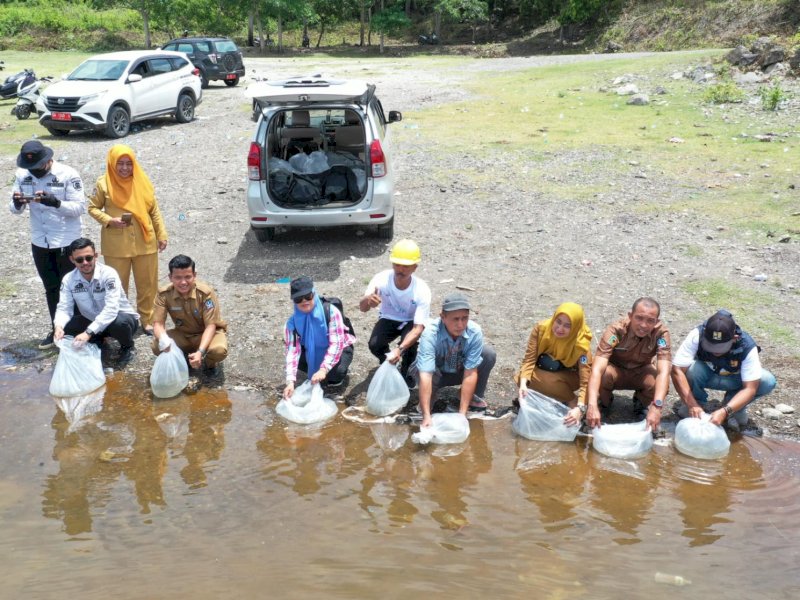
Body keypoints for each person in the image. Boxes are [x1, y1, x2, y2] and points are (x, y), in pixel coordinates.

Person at [10, 140, 86, 349]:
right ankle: (57, 330)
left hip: (66, 240)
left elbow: (79, 207)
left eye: (37, 167)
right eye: (30, 168)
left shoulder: (68, 174)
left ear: (48, 161)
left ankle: (80, 331)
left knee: (72, 287)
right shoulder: (22, 175)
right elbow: (14, 209)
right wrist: (17, 203)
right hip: (40, 241)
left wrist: (56, 203)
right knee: (51, 288)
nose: (33, 172)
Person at [89, 145, 168, 336]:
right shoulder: (103, 184)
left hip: (145, 240)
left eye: (128, 164)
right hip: (117, 245)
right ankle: (120, 321)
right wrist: (109, 220)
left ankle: (147, 320)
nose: (124, 168)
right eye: (120, 164)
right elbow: (92, 208)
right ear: (112, 164)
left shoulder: (142, 181)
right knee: (117, 285)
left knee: (148, 284)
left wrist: (161, 234)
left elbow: (153, 211)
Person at [671, 310, 777, 431]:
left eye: (721, 347)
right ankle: (697, 403)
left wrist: (725, 411)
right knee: (691, 369)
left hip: (734, 379)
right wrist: (692, 404)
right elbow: (676, 370)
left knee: (767, 381)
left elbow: (750, 388)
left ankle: (733, 406)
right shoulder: (697, 334)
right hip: (706, 375)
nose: (716, 351)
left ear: (734, 338)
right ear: (705, 334)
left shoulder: (747, 345)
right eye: (711, 345)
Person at [585, 297, 671, 431]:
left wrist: (657, 406)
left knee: (659, 382)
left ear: (656, 322)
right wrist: (591, 405)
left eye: (650, 321)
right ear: (630, 316)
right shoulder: (616, 331)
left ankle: (642, 404)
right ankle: (604, 404)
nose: (643, 325)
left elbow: (664, 372)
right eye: (639, 318)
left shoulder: (661, 334)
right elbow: (597, 368)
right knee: (603, 375)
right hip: (615, 372)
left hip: (641, 371)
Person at [414, 292, 496, 428]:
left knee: (488, 354)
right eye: (455, 319)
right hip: (436, 374)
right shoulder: (431, 333)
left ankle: (468, 397)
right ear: (443, 317)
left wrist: (462, 416)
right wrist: (426, 416)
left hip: (460, 371)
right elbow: (426, 374)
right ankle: (430, 398)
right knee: (420, 368)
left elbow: (470, 372)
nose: (460, 324)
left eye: (464, 318)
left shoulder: (474, 331)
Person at [53, 237, 139, 365]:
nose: (85, 263)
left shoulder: (109, 274)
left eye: (89, 258)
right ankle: (98, 341)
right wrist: (58, 326)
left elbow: (111, 309)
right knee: (68, 327)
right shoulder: (68, 279)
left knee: (120, 323)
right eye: (79, 260)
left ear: (96, 256)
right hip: (92, 320)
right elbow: (64, 307)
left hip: (119, 319)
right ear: (72, 260)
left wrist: (88, 332)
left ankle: (128, 347)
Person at [359, 239, 431, 388]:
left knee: (409, 344)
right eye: (397, 264)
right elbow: (362, 308)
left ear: (414, 267)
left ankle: (407, 370)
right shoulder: (381, 279)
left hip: (411, 320)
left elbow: (418, 328)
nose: (400, 269)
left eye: (406, 266)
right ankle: (388, 362)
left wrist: (400, 348)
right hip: (389, 317)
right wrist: (368, 301)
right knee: (374, 344)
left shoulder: (422, 290)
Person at [514, 302, 593, 426]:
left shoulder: (581, 343)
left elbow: (585, 380)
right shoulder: (541, 329)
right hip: (546, 370)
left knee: (549, 381)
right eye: (558, 322)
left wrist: (580, 407)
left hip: (571, 377)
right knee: (522, 378)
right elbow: (529, 359)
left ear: (575, 327)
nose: (560, 329)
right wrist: (523, 385)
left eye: (567, 326)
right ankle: (550, 397)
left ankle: (571, 400)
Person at [151, 254, 227, 379]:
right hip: (184, 334)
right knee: (156, 345)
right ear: (170, 277)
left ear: (194, 275)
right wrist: (164, 340)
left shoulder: (205, 293)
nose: (183, 282)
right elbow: (158, 324)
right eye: (178, 278)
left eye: (188, 277)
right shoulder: (164, 294)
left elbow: (211, 326)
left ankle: (209, 364)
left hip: (207, 333)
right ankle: (183, 359)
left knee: (218, 351)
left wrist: (200, 352)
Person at [283, 276, 355, 399]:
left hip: (340, 347)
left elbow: (336, 344)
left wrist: (323, 369)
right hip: (312, 349)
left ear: (314, 293)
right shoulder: (292, 322)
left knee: (335, 376)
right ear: (294, 301)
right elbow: (292, 351)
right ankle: (317, 368)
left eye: (308, 296)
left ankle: (336, 373)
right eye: (298, 299)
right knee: (300, 365)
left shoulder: (331, 311)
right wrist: (290, 382)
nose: (304, 301)